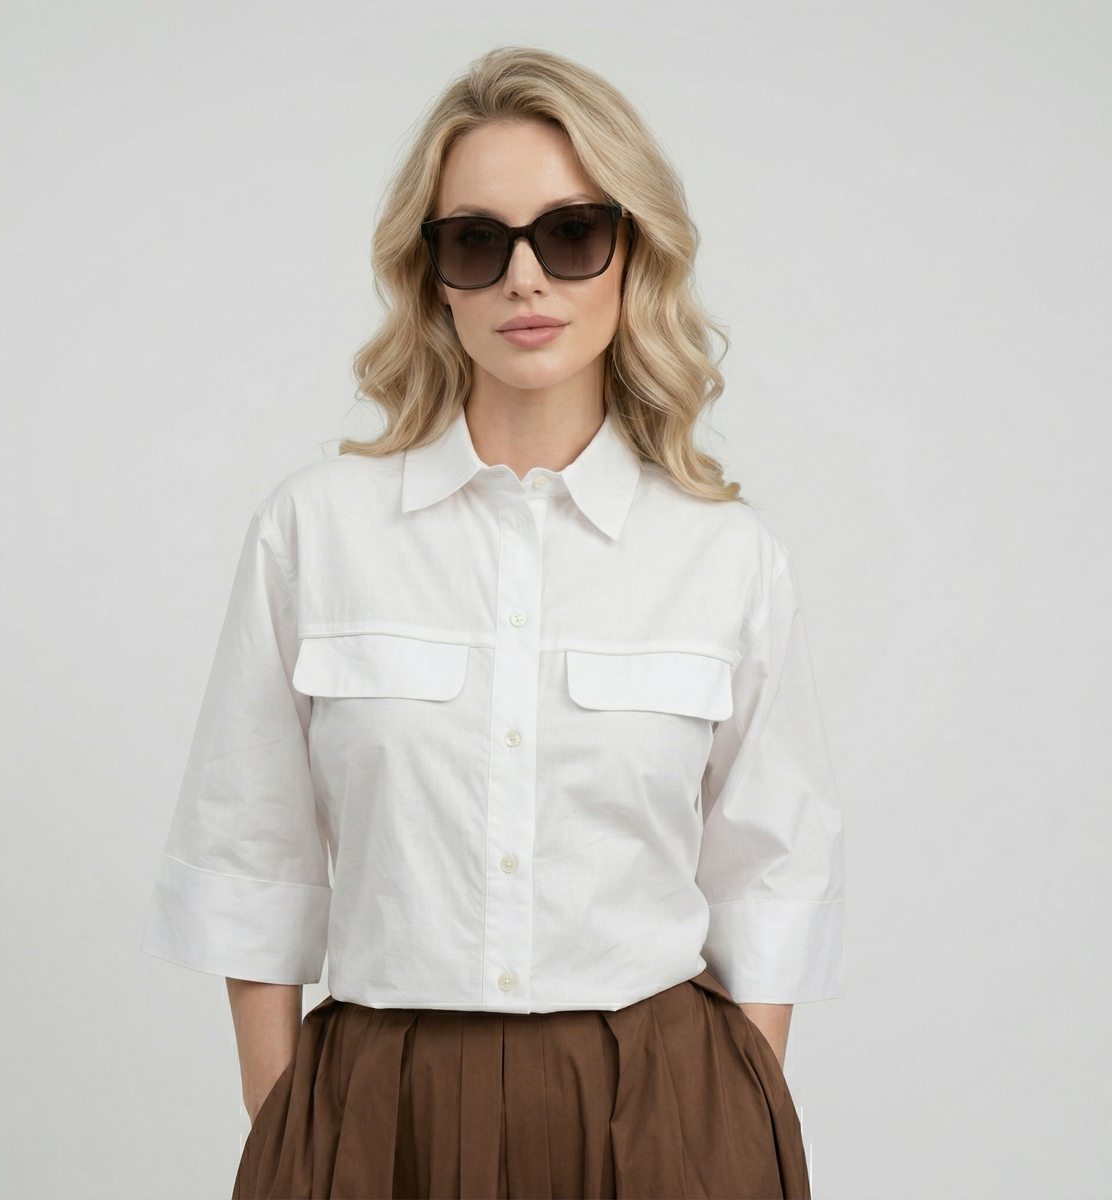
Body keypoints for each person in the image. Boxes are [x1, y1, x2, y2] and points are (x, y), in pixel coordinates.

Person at [143, 45, 845, 1200]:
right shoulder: (316, 531)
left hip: (661, 1107)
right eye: (478, 241)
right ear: (435, 277)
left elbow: (771, 871)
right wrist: (293, 1129)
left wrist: (721, 1112)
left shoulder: (723, 555)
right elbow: (248, 853)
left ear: (633, 254)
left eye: (571, 234)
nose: (526, 279)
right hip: (382, 1114)